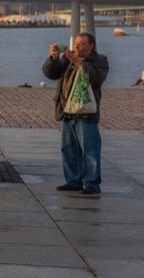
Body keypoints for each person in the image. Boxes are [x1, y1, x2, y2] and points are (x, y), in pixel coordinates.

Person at [43, 33, 109, 195]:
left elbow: (96, 79)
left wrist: (79, 63)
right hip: (66, 111)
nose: (77, 47)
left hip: (86, 113)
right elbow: (51, 74)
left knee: (90, 150)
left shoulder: (100, 60)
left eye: (81, 44)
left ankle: (92, 184)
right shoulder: (67, 59)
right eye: (76, 43)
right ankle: (73, 181)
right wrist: (53, 58)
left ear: (91, 45)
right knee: (68, 149)